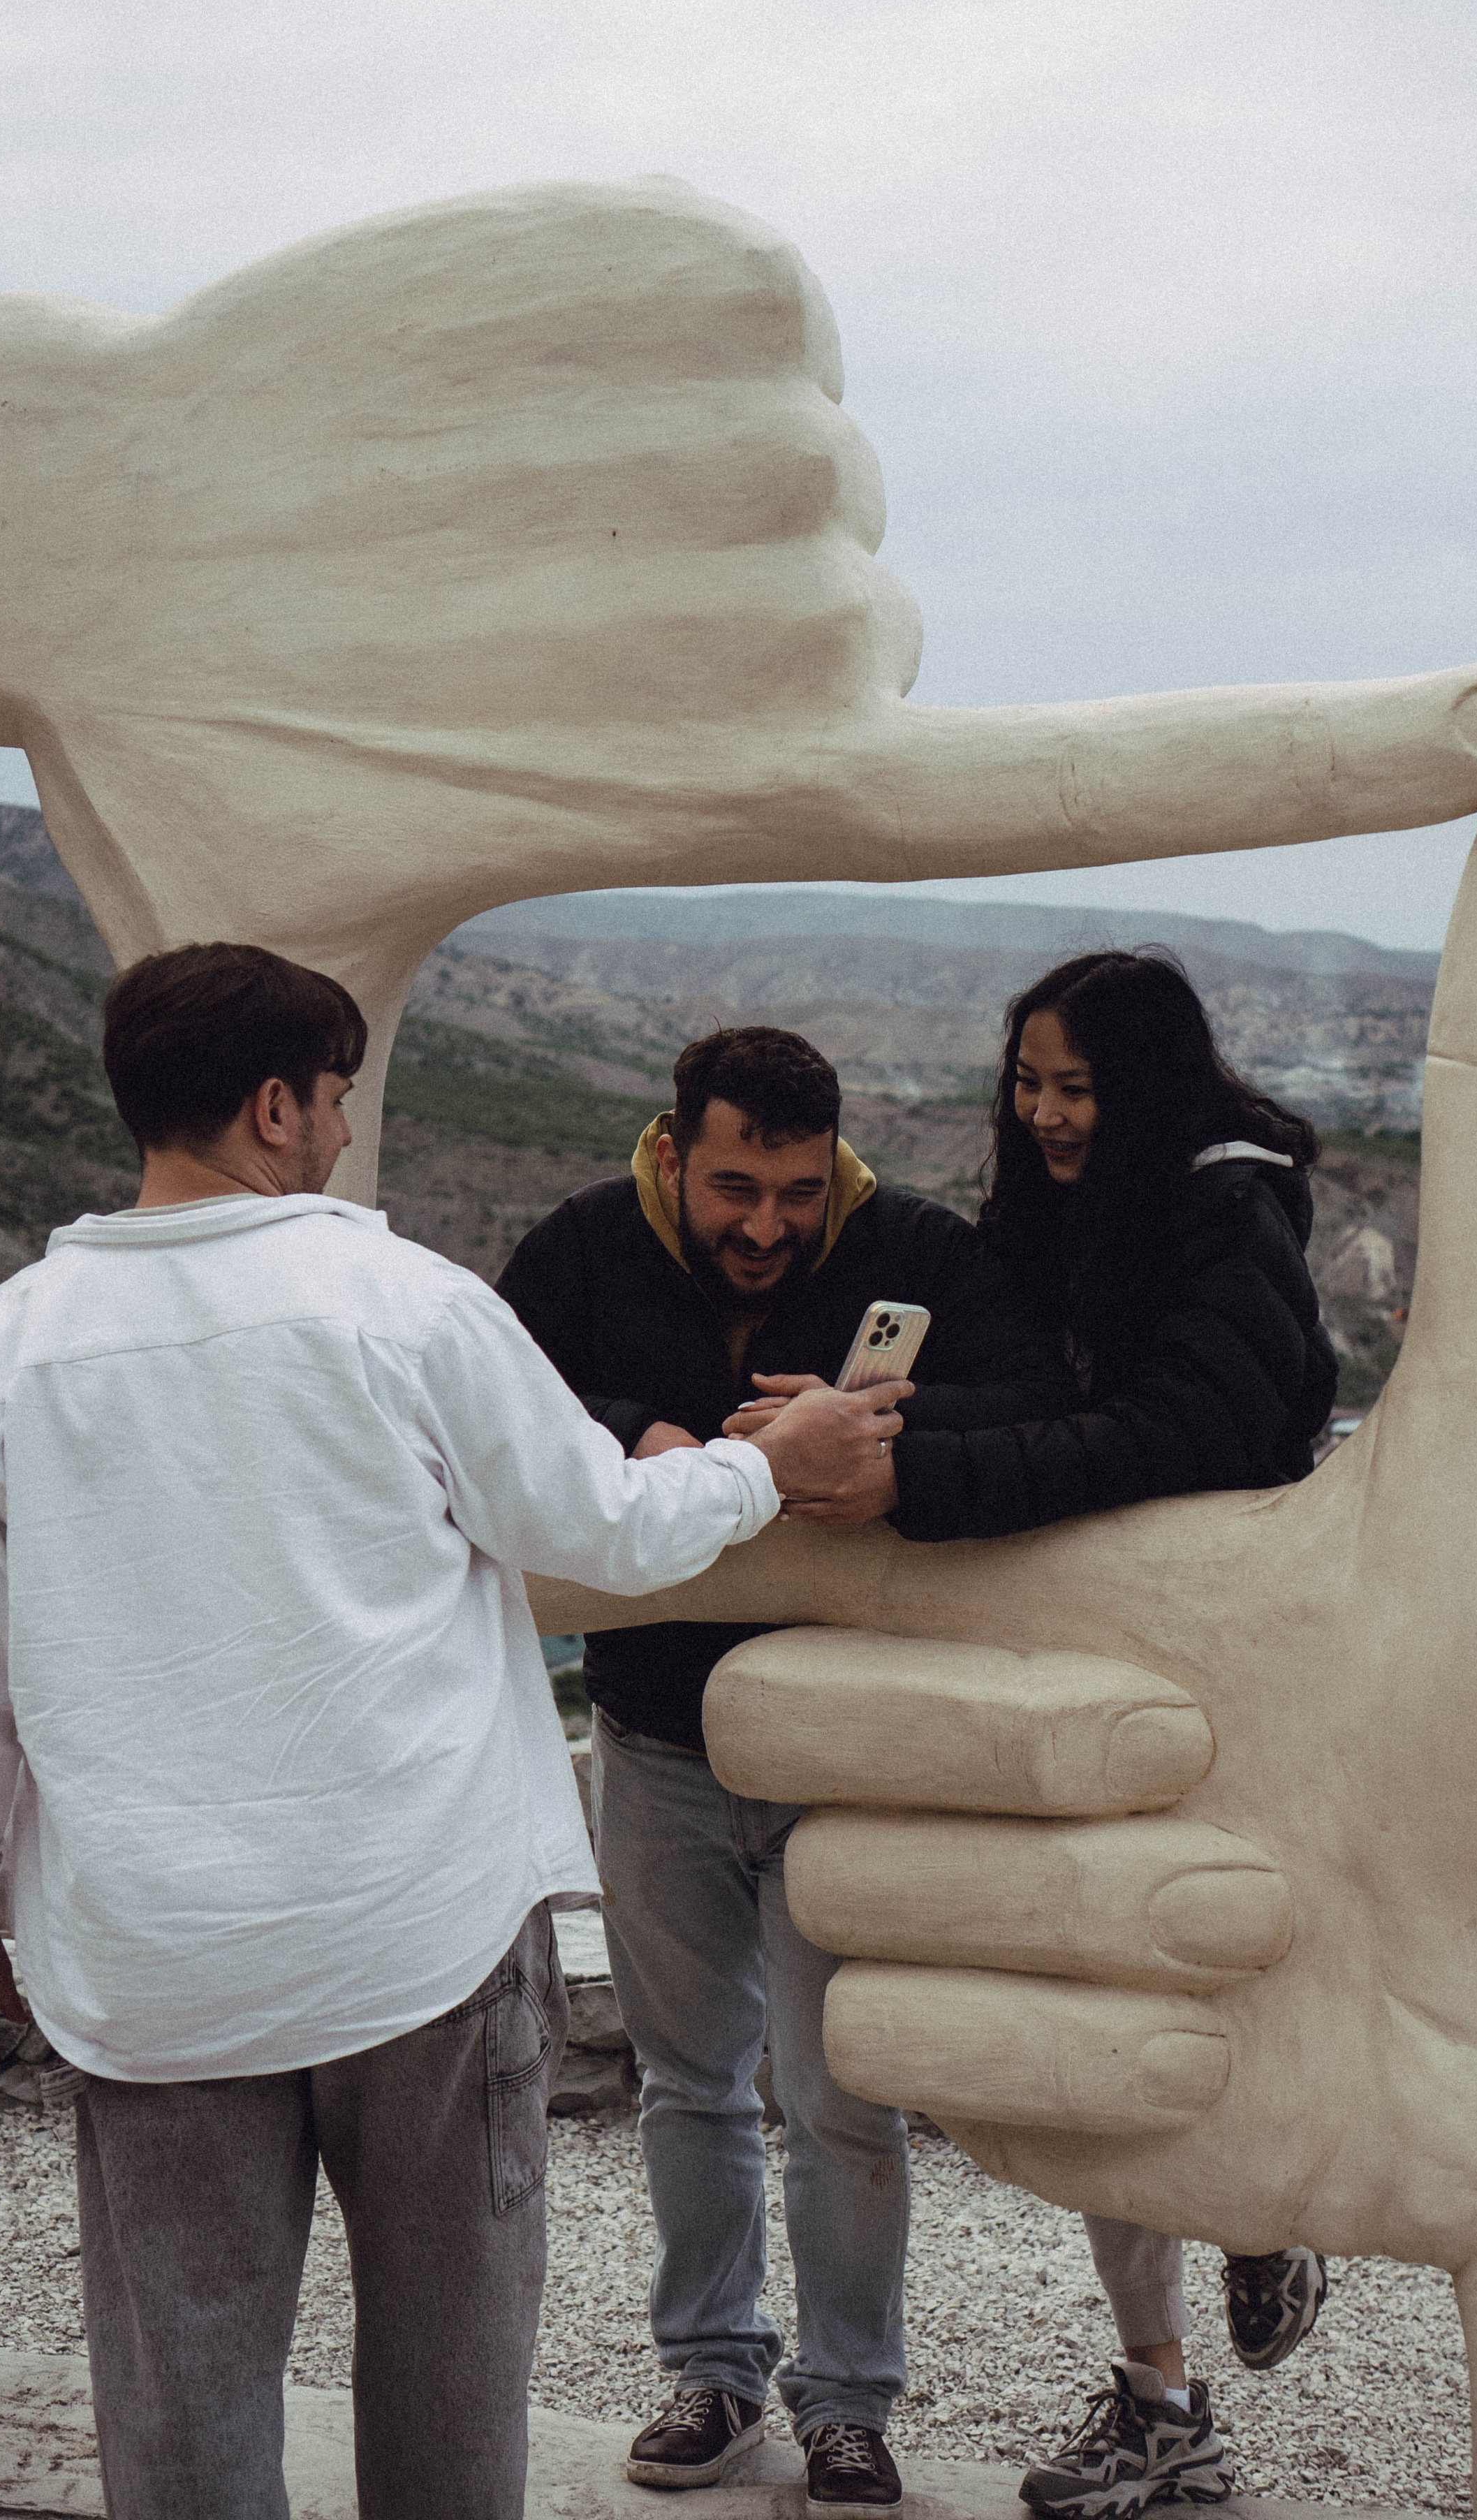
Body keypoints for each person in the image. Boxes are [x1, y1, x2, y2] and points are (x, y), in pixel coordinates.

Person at [0, 945, 904, 2520]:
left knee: (183, 2396)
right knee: (449, 2375)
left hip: (151, 1954)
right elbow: (601, 1525)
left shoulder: (6, 1347)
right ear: (276, 1106)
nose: (342, 1130)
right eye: (336, 1097)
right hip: (416, 1933)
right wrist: (779, 1460)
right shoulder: (400, 1303)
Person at [495, 1025, 1070, 2517]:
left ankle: (848, 2405)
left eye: (799, 1194)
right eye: (736, 1186)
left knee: (841, 2095)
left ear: (838, 1172)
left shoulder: (922, 1249)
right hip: (652, 1733)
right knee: (687, 2082)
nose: (767, 1225)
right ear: (672, 1153)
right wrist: (648, 1434)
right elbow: (495, 1412)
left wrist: (880, 1426)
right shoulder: (574, 1251)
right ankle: (709, 2372)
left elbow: (1046, 1402)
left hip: (850, 1748)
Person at [874, 950, 1339, 2515]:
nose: (1046, 1115)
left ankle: (1266, 2209)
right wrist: (883, 1423)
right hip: (1087, 1661)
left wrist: (918, 1482)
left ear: (1147, 1082)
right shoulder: (1057, 1213)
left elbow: (1183, 1434)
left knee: (1223, 1982)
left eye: (1075, 1087)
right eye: (1028, 1083)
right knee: (1098, 2026)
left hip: (1228, 1676)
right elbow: (1044, 1399)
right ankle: (1162, 2401)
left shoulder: (1226, 1211)